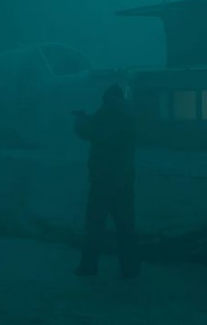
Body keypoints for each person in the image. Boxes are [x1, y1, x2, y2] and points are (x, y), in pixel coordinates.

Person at [73, 84, 141, 279]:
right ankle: (130, 269)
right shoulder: (130, 115)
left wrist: (80, 119)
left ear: (108, 98)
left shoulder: (106, 114)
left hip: (103, 180)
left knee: (94, 225)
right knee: (126, 227)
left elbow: (87, 132)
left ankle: (88, 267)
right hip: (124, 181)